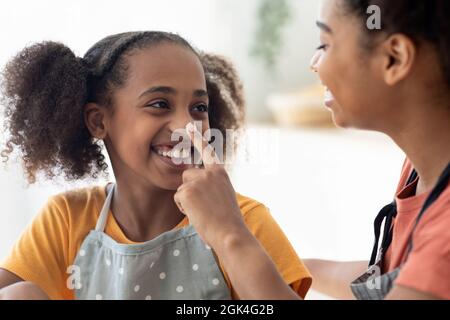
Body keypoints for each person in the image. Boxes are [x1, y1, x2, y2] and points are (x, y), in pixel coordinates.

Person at [0, 31, 311, 299]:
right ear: (98, 121)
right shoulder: (67, 219)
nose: (187, 125)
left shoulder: (243, 221)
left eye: (198, 108)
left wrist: (229, 234)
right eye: (160, 104)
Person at [174, 0, 450, 300]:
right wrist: (286, 267)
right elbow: (397, 276)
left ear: (394, 59)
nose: (313, 62)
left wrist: (230, 236)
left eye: (325, 44)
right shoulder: (420, 170)